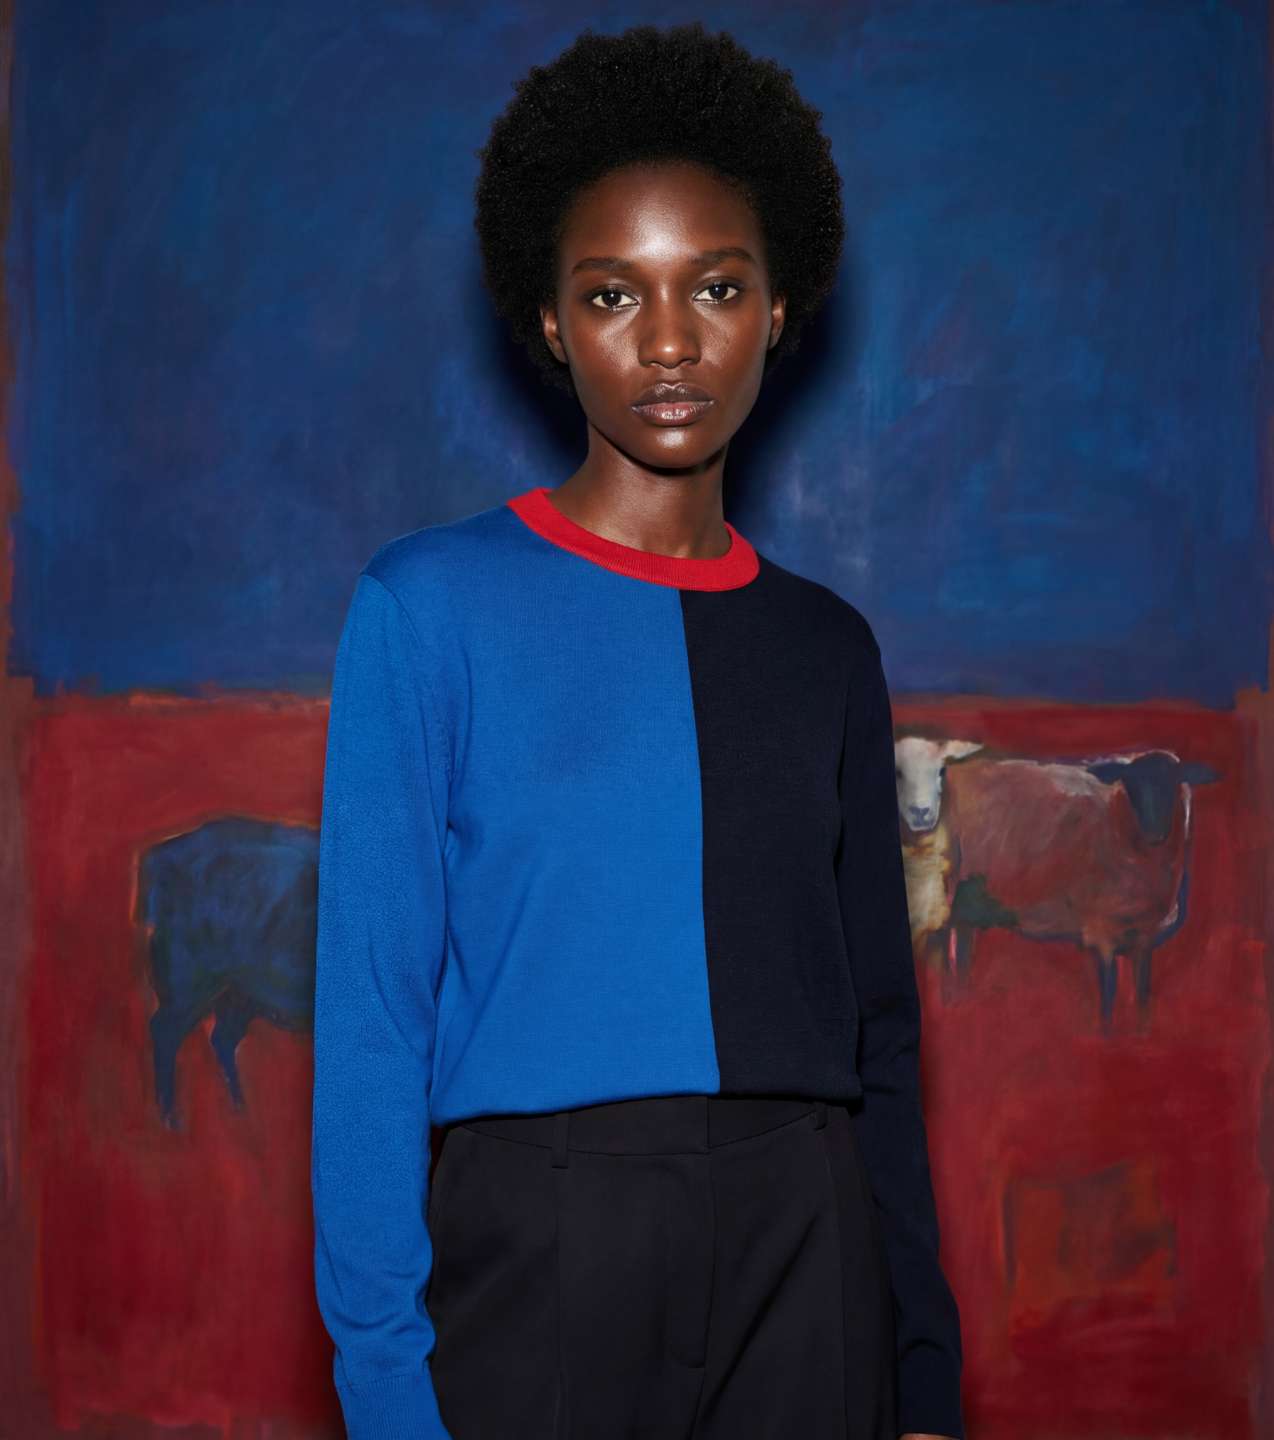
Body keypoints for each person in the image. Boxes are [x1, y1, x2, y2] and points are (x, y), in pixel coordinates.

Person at [310, 20, 964, 1440]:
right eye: (612, 294)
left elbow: (880, 1036)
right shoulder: (428, 605)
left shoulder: (827, 648)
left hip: (809, 1252)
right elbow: (370, 1026)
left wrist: (922, 1372)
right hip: (538, 1249)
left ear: (778, 307)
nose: (669, 342)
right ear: (550, 322)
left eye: (716, 287)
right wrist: (384, 1389)